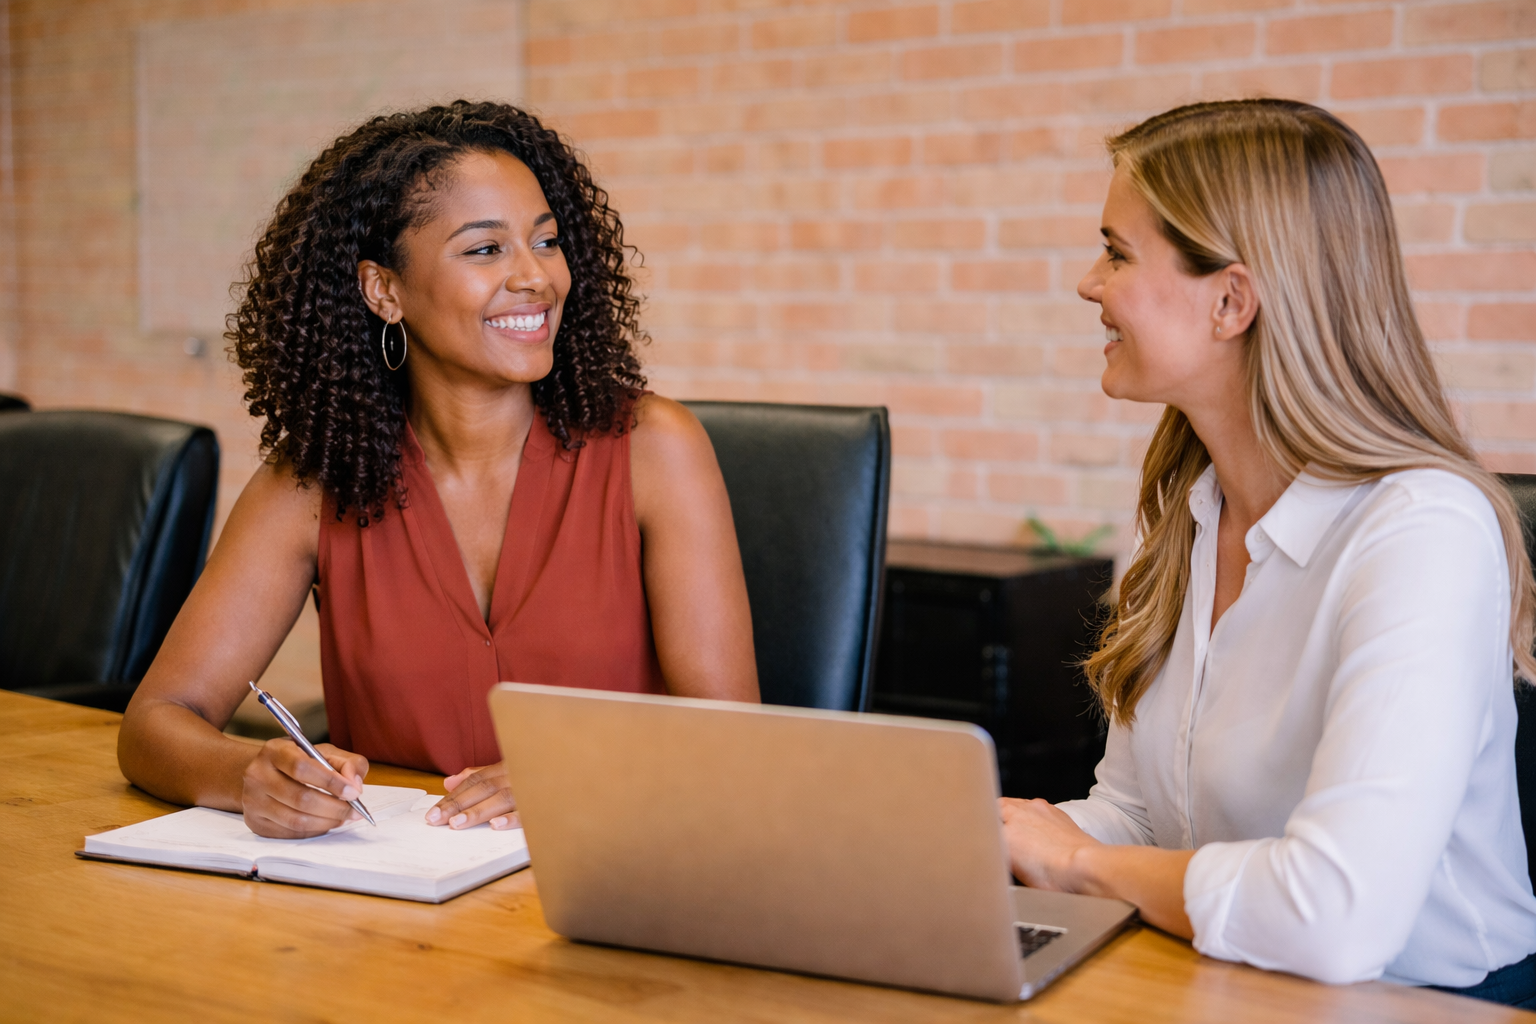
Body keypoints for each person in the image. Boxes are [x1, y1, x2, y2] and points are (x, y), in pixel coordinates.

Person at [997, 99, 1536, 1006]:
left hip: (1432, 1001)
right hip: (1230, 980)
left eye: (1117, 253)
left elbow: (1336, 914)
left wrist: (1083, 863)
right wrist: (982, 839)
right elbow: (1139, 817)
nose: (1090, 284)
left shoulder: (1422, 532)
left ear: (1232, 301)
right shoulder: (1185, 510)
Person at [118, 101, 759, 842]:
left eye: (546, 241)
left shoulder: (653, 449)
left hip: (624, 866)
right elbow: (155, 723)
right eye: (484, 250)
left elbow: (732, 732)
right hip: (398, 901)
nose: (535, 277)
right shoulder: (314, 484)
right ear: (383, 289)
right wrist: (249, 777)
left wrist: (574, 766)